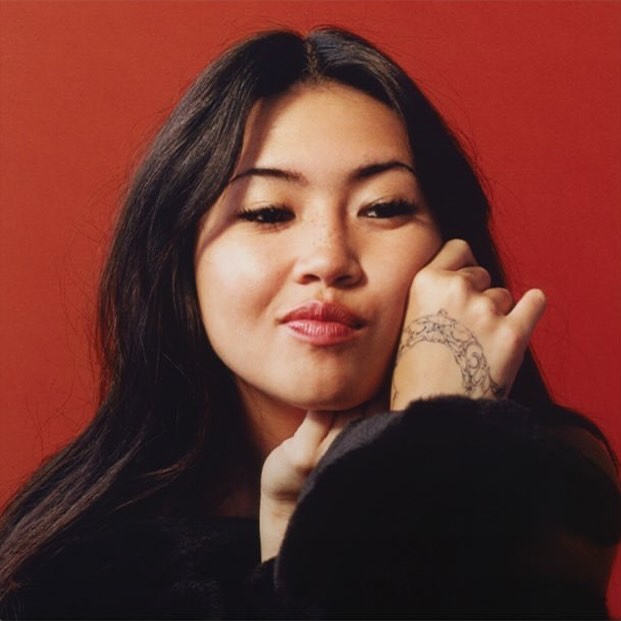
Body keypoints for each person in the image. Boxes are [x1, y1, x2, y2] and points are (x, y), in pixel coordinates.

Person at [0, 27, 619, 619]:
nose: (328, 258)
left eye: (383, 208)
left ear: (452, 252)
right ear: (181, 255)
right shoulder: (74, 564)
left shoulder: (553, 486)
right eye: (268, 212)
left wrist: (426, 433)